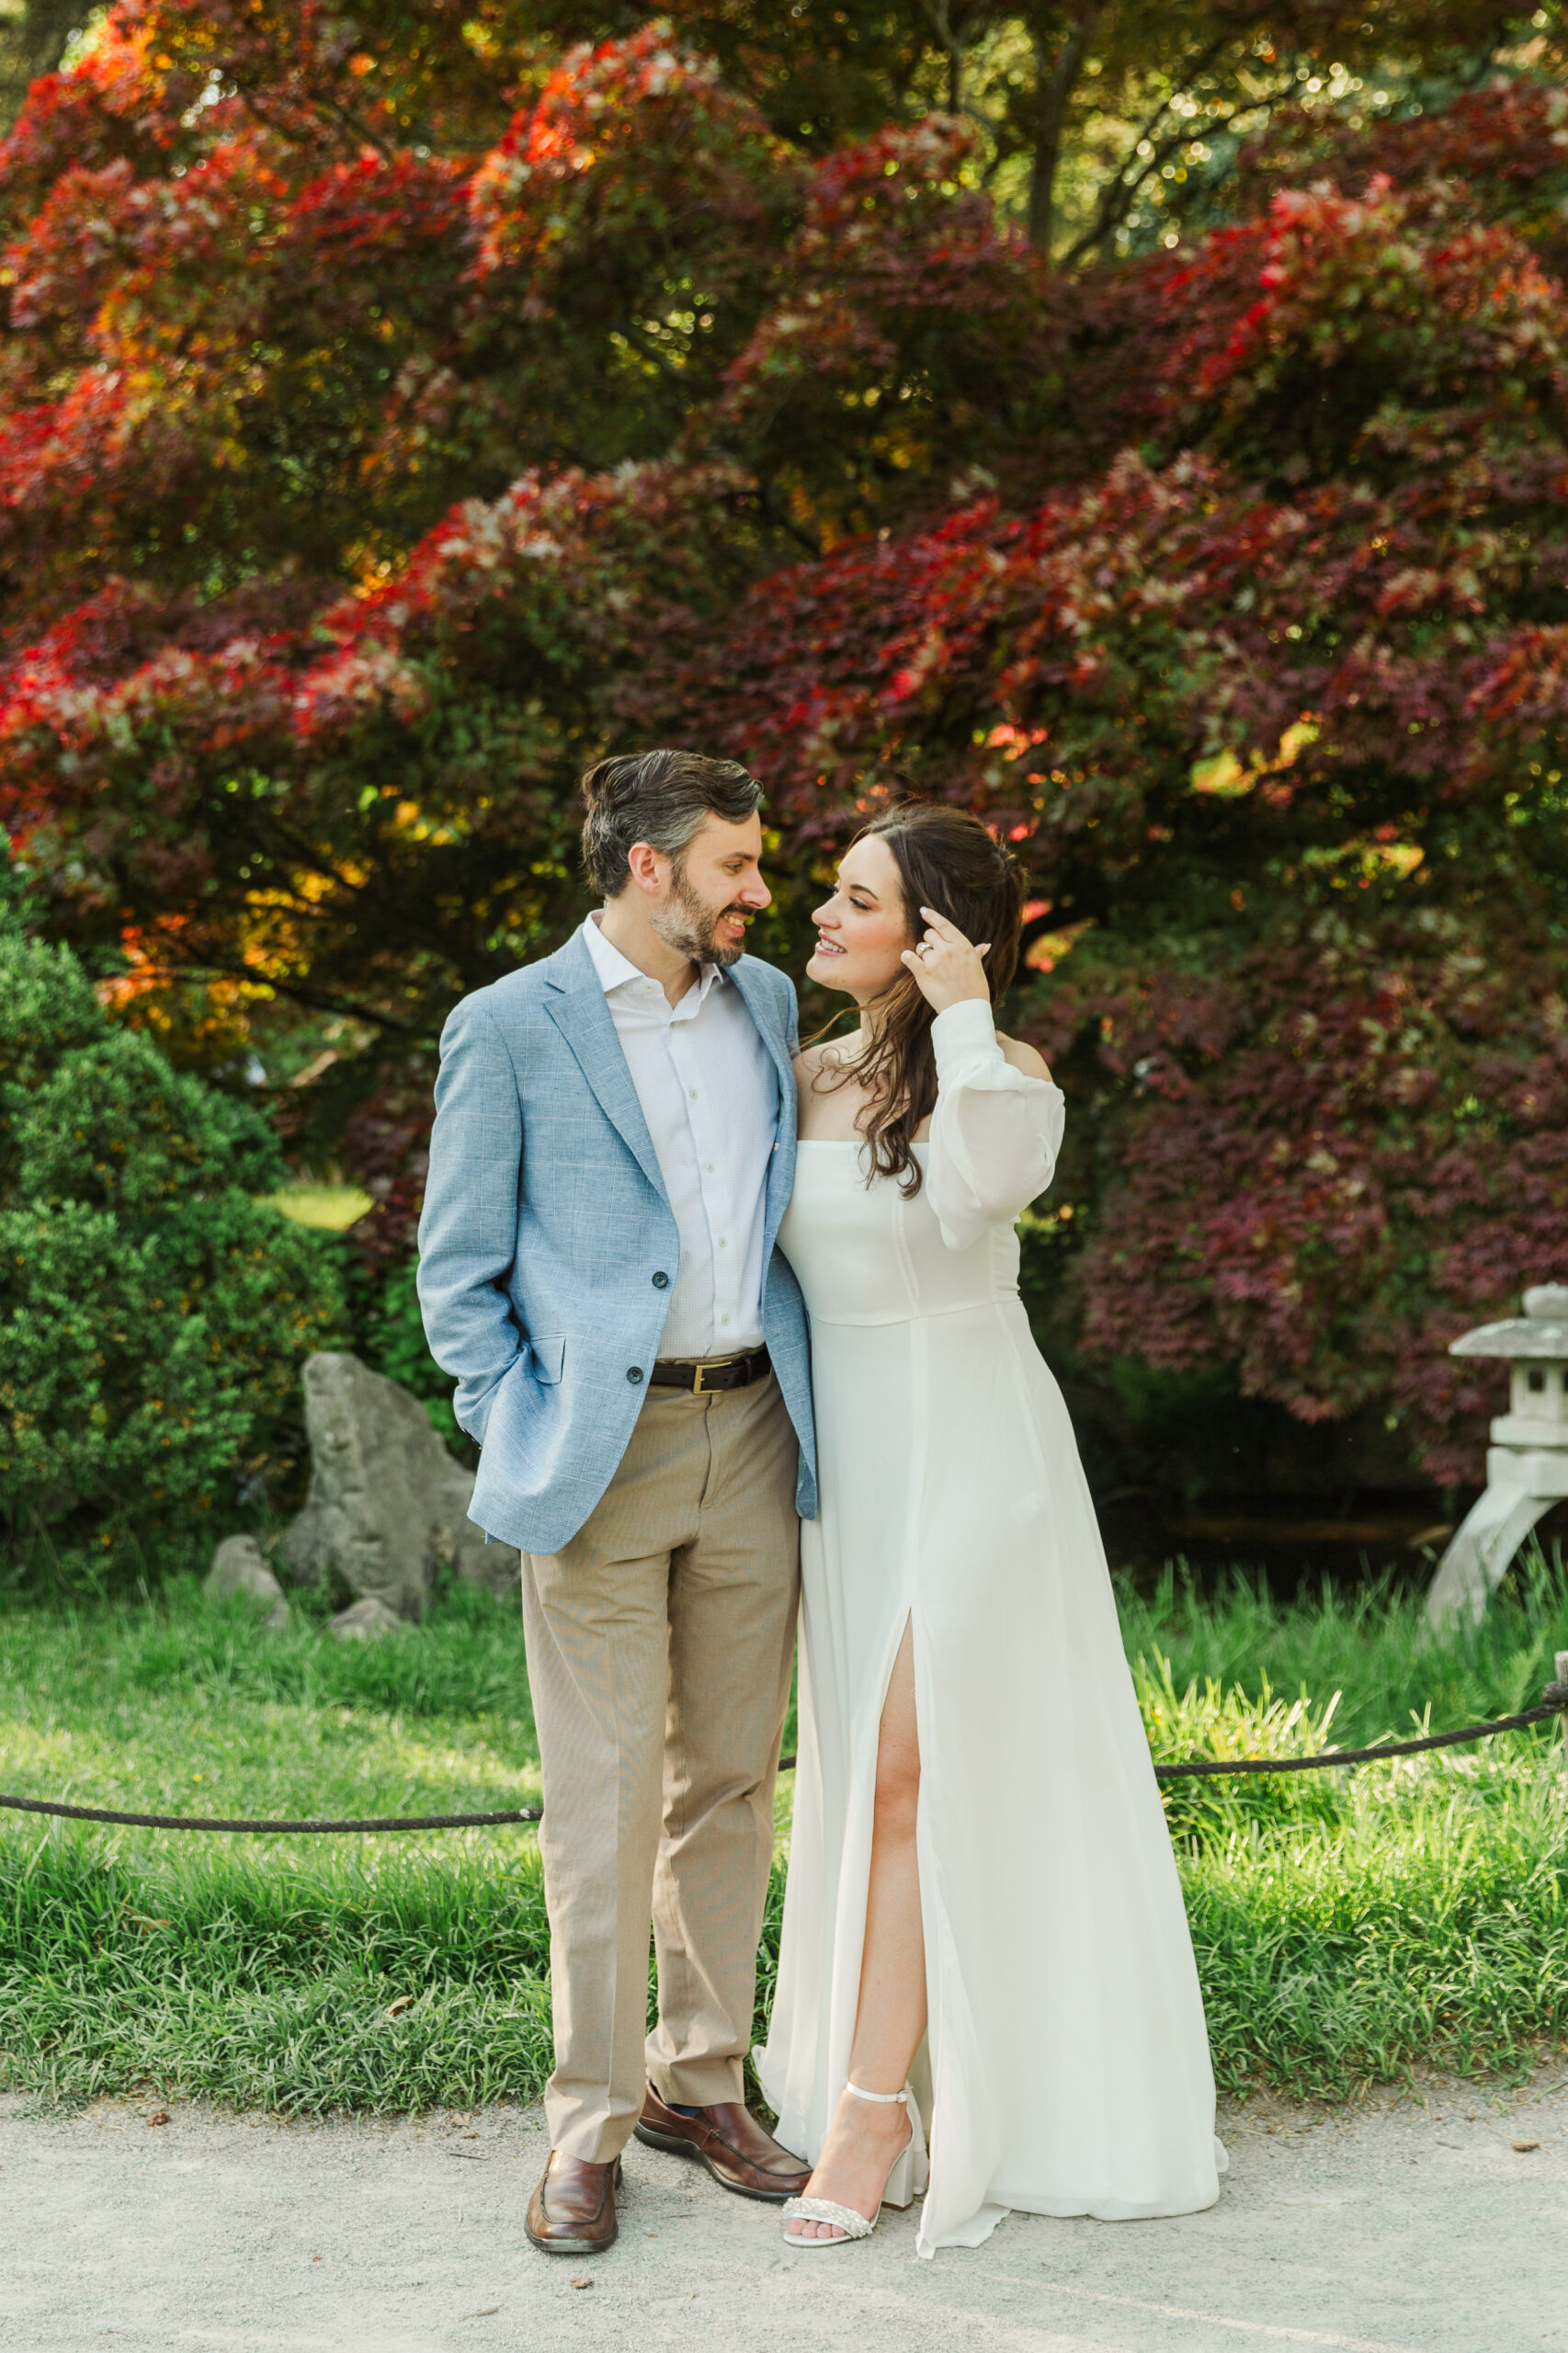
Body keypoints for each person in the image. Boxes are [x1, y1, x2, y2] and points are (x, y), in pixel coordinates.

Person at [756, 801, 1225, 2256]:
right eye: (826, 894)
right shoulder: (797, 1071)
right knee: (877, 1780)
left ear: (933, 933)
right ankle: (910, 2069)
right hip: (853, 1464)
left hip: (974, 1444)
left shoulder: (1004, 1074)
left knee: (913, 1765)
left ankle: (871, 2109)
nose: (819, 919)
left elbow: (985, 1190)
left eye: (853, 901)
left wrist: (962, 1021)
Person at [417, 749, 818, 2258]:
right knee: (597, 1804)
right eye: (734, 864)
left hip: (756, 1433)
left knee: (729, 1778)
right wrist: (513, 1417)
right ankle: (584, 2127)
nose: (759, 891)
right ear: (647, 866)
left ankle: (696, 2083)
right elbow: (455, 1272)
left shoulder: (765, 1002)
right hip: (597, 1455)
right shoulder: (508, 1025)